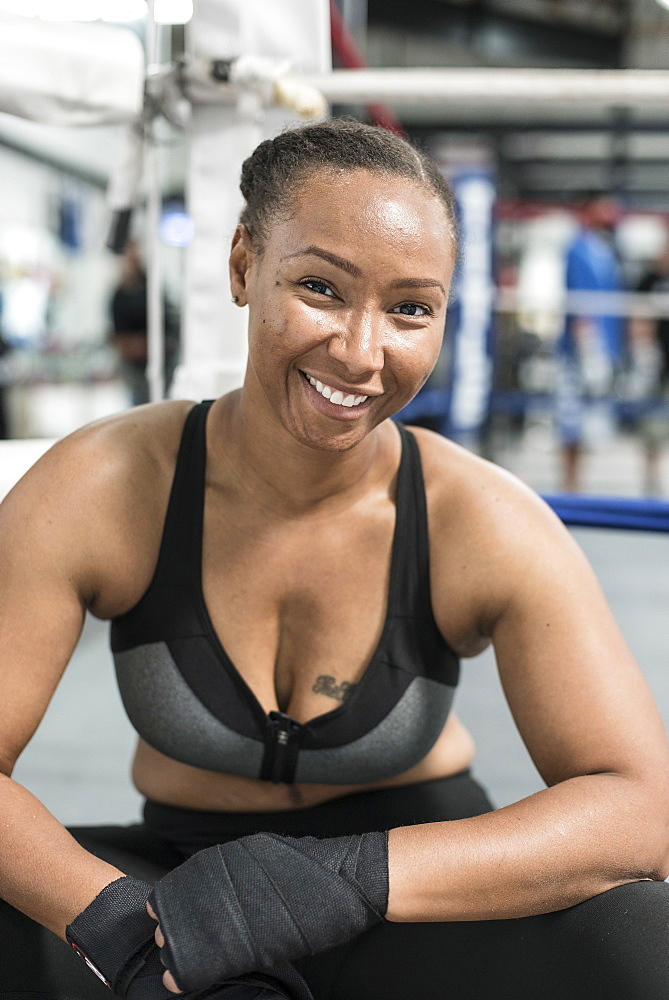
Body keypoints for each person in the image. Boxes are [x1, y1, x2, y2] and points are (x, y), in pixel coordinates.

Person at [1, 119, 669, 1000]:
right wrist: (123, 933)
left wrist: (349, 879)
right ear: (243, 266)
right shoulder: (104, 486)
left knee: (642, 940)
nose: (360, 352)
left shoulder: (480, 519)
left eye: (410, 308)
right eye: (320, 287)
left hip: (418, 894)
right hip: (175, 892)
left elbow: (639, 808)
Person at [555, 193, 625, 492]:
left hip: (605, 344)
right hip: (581, 349)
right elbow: (580, 299)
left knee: (591, 420)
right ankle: (570, 485)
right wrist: (588, 347)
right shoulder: (577, 247)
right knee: (572, 417)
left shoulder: (606, 249)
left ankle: (578, 484)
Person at [110, 240, 179, 406]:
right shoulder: (119, 296)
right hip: (135, 367)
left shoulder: (153, 289)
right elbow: (118, 336)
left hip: (160, 359)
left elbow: (170, 322)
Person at [628, 244, 669, 496]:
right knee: (653, 426)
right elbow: (637, 317)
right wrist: (643, 352)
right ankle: (650, 480)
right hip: (656, 365)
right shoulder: (649, 279)